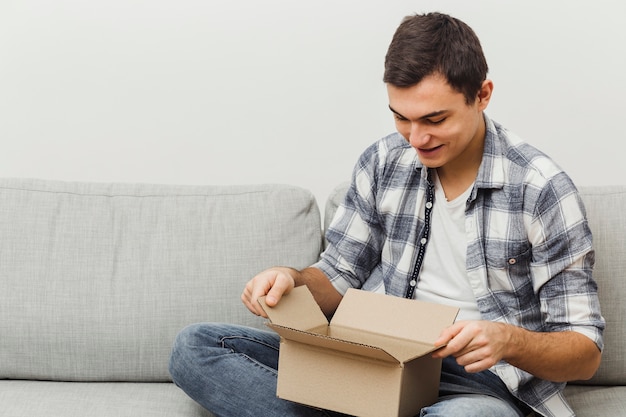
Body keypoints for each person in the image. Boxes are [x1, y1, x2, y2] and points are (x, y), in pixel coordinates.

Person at [169, 12, 604, 417]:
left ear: (482, 95)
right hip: (372, 360)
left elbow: (584, 350)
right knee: (196, 348)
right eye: (402, 117)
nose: (416, 138)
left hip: (474, 385)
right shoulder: (383, 162)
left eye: (435, 119)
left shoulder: (541, 188)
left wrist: (508, 340)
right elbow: (338, 275)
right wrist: (291, 280)